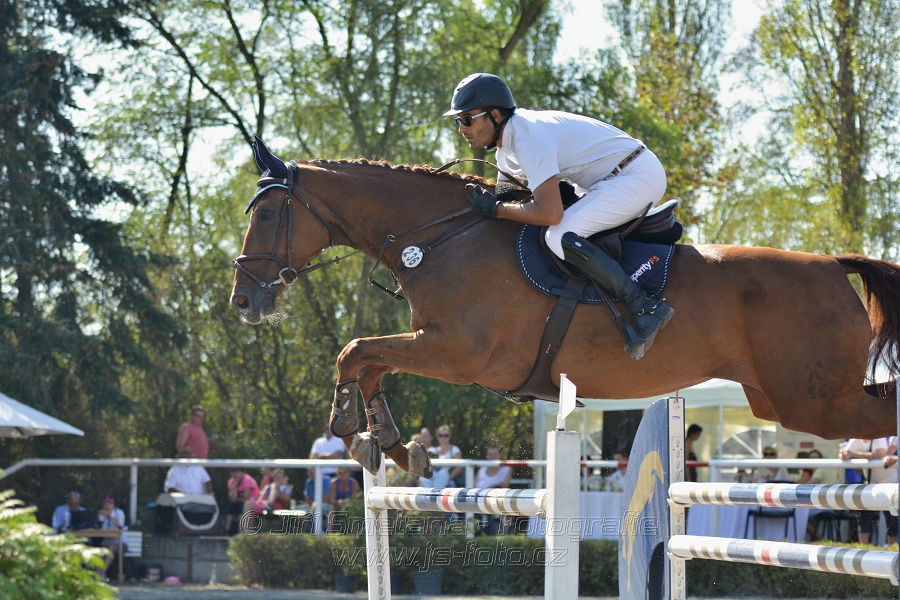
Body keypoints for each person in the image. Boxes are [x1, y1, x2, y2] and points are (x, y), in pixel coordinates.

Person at [445, 72, 673, 360]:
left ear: (494, 114)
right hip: (608, 179)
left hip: (637, 176)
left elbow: (549, 213)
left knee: (559, 236)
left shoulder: (530, 138)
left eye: (466, 119)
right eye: (459, 121)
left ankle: (644, 305)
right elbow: (507, 193)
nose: (461, 129)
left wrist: (498, 210)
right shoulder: (508, 147)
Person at [842, 437, 898, 544]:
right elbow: (845, 455)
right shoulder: (855, 439)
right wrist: (844, 454)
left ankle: (893, 547)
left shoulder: (879, 437)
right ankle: (864, 546)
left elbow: (880, 454)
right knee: (865, 514)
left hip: (889, 483)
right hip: (871, 483)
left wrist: (854, 454)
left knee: (891, 518)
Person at [474, 446, 512, 534]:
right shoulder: (482, 468)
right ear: (487, 456)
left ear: (500, 455)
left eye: (495, 454)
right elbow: (473, 484)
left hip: (494, 499)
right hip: (477, 498)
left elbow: (505, 485)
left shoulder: (506, 468)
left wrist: (491, 488)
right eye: (490, 454)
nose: (493, 457)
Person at [96, 496, 126, 579]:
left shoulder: (119, 513)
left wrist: (110, 516)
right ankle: (97, 575)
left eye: (109, 504)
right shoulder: (101, 514)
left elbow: (119, 525)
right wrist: (100, 517)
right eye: (105, 504)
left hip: (120, 543)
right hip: (106, 542)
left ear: (113, 505)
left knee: (111, 548)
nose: (107, 506)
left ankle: (103, 573)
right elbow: (98, 527)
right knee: (100, 550)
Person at [225, 467, 259, 535]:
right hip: (239, 502)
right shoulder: (231, 481)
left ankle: (240, 531)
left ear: (242, 472)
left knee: (242, 507)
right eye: (233, 472)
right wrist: (234, 487)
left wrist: (236, 499)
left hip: (252, 503)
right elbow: (232, 499)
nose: (235, 475)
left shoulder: (247, 480)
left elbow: (246, 497)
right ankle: (227, 530)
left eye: (237, 472)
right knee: (231, 506)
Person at [326, 467, 360, 533]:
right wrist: (338, 502)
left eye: (345, 472)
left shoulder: (353, 483)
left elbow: (354, 499)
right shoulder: (334, 483)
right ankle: (329, 532)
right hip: (337, 506)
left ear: (349, 473)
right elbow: (332, 499)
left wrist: (346, 503)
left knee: (353, 509)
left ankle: (354, 534)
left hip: (350, 505)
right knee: (331, 509)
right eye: (340, 473)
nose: (343, 474)